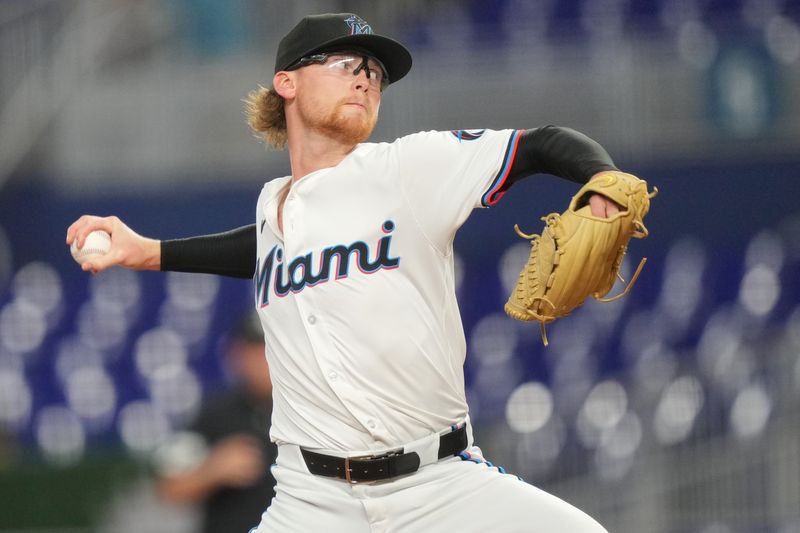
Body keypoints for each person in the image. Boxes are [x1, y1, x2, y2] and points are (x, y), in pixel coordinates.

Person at [67, 12, 631, 532]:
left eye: (375, 74)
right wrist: (147, 251)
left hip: (439, 486)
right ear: (286, 83)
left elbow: (542, 144)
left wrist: (603, 181)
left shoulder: (410, 170)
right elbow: (265, 250)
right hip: (310, 503)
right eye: (346, 65)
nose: (365, 79)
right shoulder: (273, 207)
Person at [152, 311, 276, 533]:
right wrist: (212, 470)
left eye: (269, 350)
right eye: (254, 351)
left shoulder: (309, 411)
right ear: (236, 355)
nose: (262, 361)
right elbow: (168, 488)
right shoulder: (215, 413)